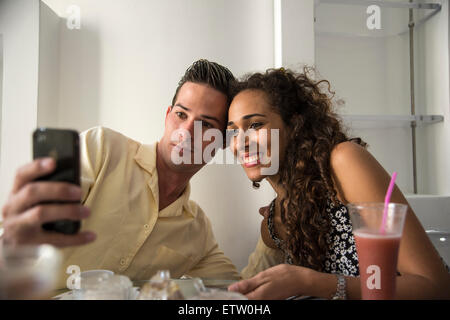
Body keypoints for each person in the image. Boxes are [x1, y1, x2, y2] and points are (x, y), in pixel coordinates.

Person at [1, 59, 241, 290]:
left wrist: (274, 230)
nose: (186, 132)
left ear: (221, 143)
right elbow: (23, 236)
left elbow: (242, 290)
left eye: (206, 125)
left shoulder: (197, 231)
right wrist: (9, 243)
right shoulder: (102, 150)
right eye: (181, 114)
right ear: (167, 115)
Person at [226, 67, 450, 299]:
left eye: (255, 125)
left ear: (293, 125)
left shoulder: (342, 162)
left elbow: (435, 286)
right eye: (232, 132)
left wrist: (309, 282)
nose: (240, 142)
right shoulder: (275, 220)